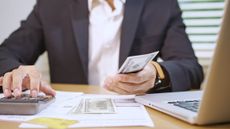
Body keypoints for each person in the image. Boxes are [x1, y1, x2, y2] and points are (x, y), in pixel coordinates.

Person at [0, 0, 204, 98]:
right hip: (70, 120)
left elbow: (191, 69)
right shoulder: (52, 5)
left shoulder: (161, 5)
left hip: (140, 117)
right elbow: (6, 53)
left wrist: (156, 74)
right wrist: (17, 71)